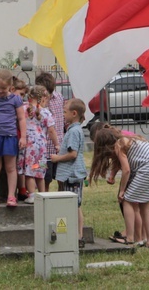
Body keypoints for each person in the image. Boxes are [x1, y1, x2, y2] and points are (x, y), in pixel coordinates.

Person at [88, 124, 149, 250]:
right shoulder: (129, 139)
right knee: (144, 205)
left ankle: (130, 238)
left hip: (146, 169)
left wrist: (122, 190)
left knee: (127, 200)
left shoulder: (119, 144)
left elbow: (126, 170)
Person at [0, 69, 27, 208]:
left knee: (11, 167)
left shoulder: (16, 99)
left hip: (10, 137)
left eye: (3, 88)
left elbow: (21, 118)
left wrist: (23, 137)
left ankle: (11, 195)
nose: (0, 91)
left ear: (10, 87)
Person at [53, 98, 90, 248]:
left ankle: (78, 235)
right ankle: (76, 235)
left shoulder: (74, 131)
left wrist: (57, 158)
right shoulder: (74, 129)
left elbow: (73, 154)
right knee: (75, 205)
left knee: (73, 205)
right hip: (70, 174)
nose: (63, 114)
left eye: (64, 111)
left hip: (72, 175)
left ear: (74, 113)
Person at [18, 85, 58, 203]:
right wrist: (57, 144)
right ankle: (43, 195)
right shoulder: (46, 112)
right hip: (41, 147)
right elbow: (51, 130)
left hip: (28, 144)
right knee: (39, 169)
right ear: (43, 98)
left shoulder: (24, 108)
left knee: (29, 171)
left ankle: (32, 195)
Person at [36, 73, 65, 192]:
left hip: (59, 149)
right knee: (44, 179)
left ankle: (61, 201)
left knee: (62, 178)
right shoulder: (38, 103)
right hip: (44, 152)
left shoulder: (59, 97)